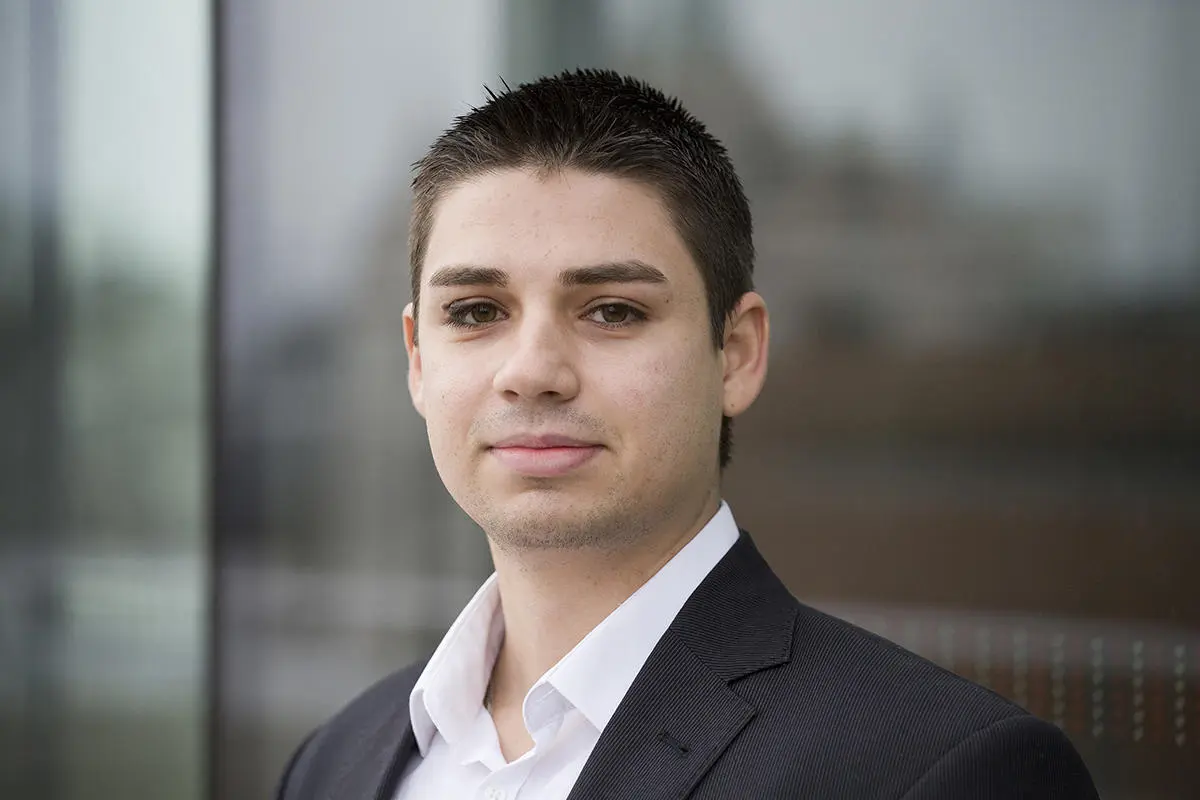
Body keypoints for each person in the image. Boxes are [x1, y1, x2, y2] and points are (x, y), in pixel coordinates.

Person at [275, 69, 1098, 800]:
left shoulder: (945, 771)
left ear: (735, 354)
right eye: (476, 311)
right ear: (418, 360)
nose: (532, 371)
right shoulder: (333, 763)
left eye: (612, 311)